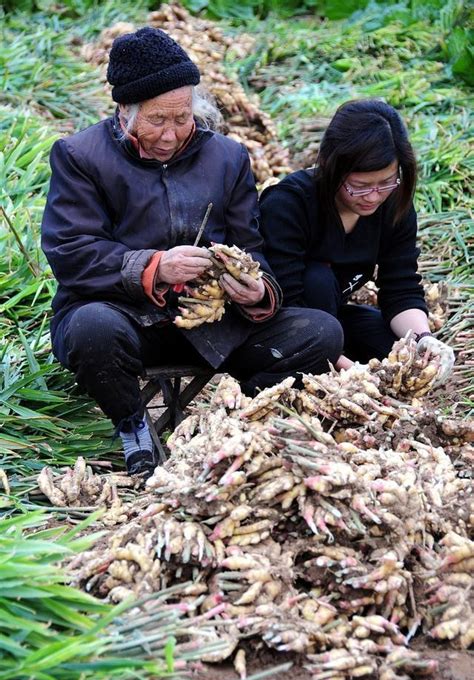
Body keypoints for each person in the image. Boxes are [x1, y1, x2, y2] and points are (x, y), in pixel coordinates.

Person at [41, 27, 343, 482]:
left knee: (321, 331)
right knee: (90, 327)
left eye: (182, 118)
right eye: (157, 120)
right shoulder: (80, 156)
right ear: (124, 111)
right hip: (125, 318)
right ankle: (135, 429)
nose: (171, 133)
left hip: (212, 326)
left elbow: (252, 249)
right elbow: (71, 250)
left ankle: (237, 421)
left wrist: (256, 290)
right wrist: (155, 266)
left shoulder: (226, 157)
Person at [259, 99, 455, 378]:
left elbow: (400, 287)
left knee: (396, 349)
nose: (374, 196)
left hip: (335, 319)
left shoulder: (393, 206)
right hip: (282, 330)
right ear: (331, 167)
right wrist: (349, 371)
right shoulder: (289, 204)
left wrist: (423, 339)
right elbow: (285, 303)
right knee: (319, 279)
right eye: (359, 186)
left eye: (386, 182)